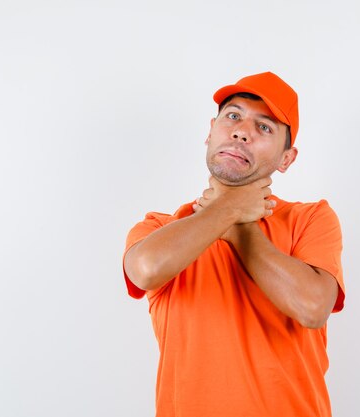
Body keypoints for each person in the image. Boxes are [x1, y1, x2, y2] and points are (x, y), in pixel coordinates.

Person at [122, 71, 346, 416]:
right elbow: (145, 270)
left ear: (287, 158)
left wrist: (238, 226)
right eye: (233, 116)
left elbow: (313, 307)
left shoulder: (311, 219)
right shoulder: (161, 228)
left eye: (265, 127)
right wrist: (229, 208)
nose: (242, 131)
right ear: (210, 131)